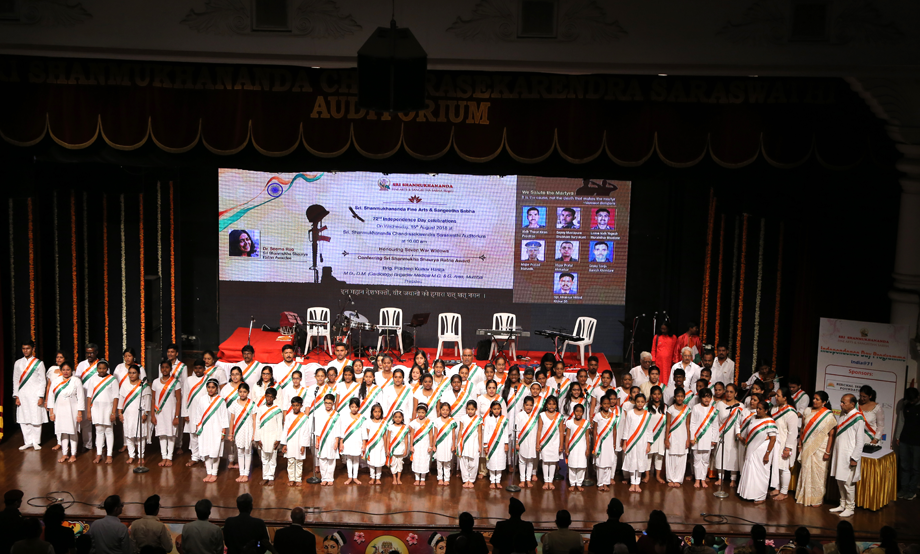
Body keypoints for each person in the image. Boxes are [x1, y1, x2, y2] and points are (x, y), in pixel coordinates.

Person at [829, 394, 866, 518]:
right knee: (840, 480)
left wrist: (855, 457)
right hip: (840, 453)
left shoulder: (858, 418)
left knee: (848, 483)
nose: (841, 404)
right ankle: (842, 504)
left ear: (852, 404)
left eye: (843, 402)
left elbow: (860, 441)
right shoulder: (843, 414)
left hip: (849, 455)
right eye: (841, 402)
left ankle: (850, 507)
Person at [737, 401, 777, 504]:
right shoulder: (753, 418)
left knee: (761, 473)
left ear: (766, 410)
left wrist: (767, 454)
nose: (757, 410)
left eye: (760, 409)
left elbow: (773, 439)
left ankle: (760, 496)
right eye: (757, 408)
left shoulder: (770, 421)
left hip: (762, 450)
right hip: (752, 449)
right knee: (750, 471)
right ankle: (748, 494)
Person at [13, 340, 47, 451]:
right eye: (23, 348)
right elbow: (16, 380)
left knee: (36, 417)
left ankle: (36, 441)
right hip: (22, 394)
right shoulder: (18, 363)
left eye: (27, 348)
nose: (25, 350)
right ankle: (27, 442)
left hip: (35, 394)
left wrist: (41, 396)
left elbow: (43, 381)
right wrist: (16, 396)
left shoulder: (39, 363)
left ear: (32, 349)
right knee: (24, 418)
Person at [48, 362, 84, 464]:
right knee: (63, 432)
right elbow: (51, 397)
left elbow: (81, 398)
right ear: (60, 370)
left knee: (72, 432)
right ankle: (64, 454)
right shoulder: (56, 381)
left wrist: (80, 413)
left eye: (68, 369)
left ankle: (73, 454)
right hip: (59, 410)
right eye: (63, 370)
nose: (65, 372)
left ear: (71, 370)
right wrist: (51, 412)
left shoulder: (76, 381)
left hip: (72, 410)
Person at [770, 387, 800, 501]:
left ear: (785, 398)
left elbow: (793, 433)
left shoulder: (791, 412)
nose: (776, 397)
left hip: (785, 443)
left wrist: (788, 448)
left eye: (778, 395)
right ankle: (777, 488)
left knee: (784, 468)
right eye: (776, 395)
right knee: (776, 466)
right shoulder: (774, 409)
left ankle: (784, 492)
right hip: (775, 442)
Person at [87, 359, 119, 464]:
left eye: (104, 368)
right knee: (99, 431)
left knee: (109, 431)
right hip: (96, 408)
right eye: (100, 368)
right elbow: (89, 396)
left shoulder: (112, 380)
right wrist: (88, 411)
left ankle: (109, 455)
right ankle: (99, 454)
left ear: (107, 369)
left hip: (108, 408)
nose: (101, 370)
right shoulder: (93, 379)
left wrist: (113, 412)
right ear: (97, 369)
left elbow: (115, 397)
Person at [151, 359, 182, 467]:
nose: (164, 369)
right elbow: (153, 399)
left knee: (171, 434)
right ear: (160, 369)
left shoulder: (175, 382)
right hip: (159, 412)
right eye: (163, 367)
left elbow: (178, 400)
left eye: (167, 367)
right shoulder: (155, 382)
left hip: (171, 412)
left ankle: (169, 457)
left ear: (170, 369)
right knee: (162, 434)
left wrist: (176, 416)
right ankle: (164, 456)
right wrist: (152, 415)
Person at [621, 393, 652, 492]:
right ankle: (632, 482)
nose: (640, 403)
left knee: (640, 461)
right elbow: (626, 428)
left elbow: (649, 430)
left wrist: (648, 444)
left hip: (642, 442)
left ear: (645, 402)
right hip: (631, 442)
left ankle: (637, 483)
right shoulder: (630, 413)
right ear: (635, 402)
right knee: (632, 461)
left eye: (642, 402)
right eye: (638, 401)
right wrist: (625, 443)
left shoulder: (647, 414)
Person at [75, 344, 101, 451]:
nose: (89, 355)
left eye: (91, 353)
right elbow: (77, 381)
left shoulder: (101, 364)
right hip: (85, 396)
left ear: (96, 352)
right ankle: (87, 444)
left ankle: (101, 445)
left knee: (99, 422)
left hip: (98, 397)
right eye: (87, 353)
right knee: (85, 422)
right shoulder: (81, 365)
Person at [254, 387, 283, 484]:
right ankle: (265, 476)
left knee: (272, 458)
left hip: (273, 437)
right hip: (263, 436)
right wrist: (258, 438)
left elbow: (279, 426)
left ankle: (271, 477)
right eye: (267, 396)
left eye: (271, 397)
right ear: (265, 396)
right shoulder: (261, 409)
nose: (269, 398)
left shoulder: (277, 410)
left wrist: (278, 439)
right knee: (264, 458)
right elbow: (257, 424)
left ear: (274, 398)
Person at [228, 382, 255, 482]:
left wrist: (254, 434)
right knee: (240, 452)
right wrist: (230, 433)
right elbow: (232, 419)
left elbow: (254, 419)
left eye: (244, 392)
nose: (242, 394)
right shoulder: (234, 404)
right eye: (240, 392)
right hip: (238, 430)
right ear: (238, 392)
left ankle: (246, 474)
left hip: (248, 430)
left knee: (247, 452)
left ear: (248, 392)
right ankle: (241, 473)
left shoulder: (252, 404)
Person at [896, 387, 920, 500]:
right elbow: (901, 421)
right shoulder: (905, 405)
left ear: (918, 397)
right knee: (904, 466)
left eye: (913, 400)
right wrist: (898, 436)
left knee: (916, 468)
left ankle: (912, 490)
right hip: (904, 440)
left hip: (918, 443)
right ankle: (904, 489)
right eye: (910, 400)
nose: (911, 402)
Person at [337, 397, 367, 485]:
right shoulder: (345, 417)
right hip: (348, 441)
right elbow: (342, 430)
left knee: (356, 459)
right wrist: (341, 442)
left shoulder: (361, 418)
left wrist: (364, 443)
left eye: (356, 407)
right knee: (349, 459)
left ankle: (355, 477)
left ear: (359, 407)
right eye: (352, 406)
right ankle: (350, 477)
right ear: (349, 406)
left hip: (357, 441)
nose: (354, 409)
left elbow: (364, 431)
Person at [281, 396, 309, 486]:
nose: (295, 407)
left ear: (301, 406)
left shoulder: (304, 418)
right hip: (290, 442)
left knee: (299, 461)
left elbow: (306, 432)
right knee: (290, 461)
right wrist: (284, 444)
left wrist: (303, 445)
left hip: (300, 442)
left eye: (297, 405)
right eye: (293, 405)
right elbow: (285, 430)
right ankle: (291, 478)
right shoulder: (288, 416)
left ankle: (298, 479)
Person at [313, 394, 340, 485]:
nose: (328, 405)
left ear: (333, 403)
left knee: (331, 459)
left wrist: (336, 441)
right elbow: (317, 428)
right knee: (322, 459)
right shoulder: (320, 414)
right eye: (326, 403)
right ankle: (324, 478)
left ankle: (330, 478)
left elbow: (338, 429)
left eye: (330, 403)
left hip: (332, 439)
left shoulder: (336, 415)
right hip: (322, 440)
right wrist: (317, 441)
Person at [665, 388, 690, 487]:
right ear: (675, 397)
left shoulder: (687, 409)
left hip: (683, 436)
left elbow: (688, 425)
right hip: (672, 435)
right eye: (678, 396)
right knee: (671, 456)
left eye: (682, 396)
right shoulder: (670, 409)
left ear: (684, 397)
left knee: (681, 457)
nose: (680, 398)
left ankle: (678, 479)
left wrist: (688, 439)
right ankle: (670, 478)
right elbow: (667, 425)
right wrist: (666, 439)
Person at [387, 409, 410, 484]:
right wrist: (387, 448)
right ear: (393, 418)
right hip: (393, 448)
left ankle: (398, 478)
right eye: (396, 417)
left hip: (401, 448)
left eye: (399, 417)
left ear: (402, 418)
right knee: (393, 463)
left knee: (400, 463)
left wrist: (406, 449)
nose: (397, 419)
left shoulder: (404, 427)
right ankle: (394, 478)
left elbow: (406, 439)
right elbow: (388, 438)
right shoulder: (390, 427)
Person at [0, 490, 24, 554]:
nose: (21, 501)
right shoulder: (19, 519)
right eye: (20, 500)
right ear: (16, 503)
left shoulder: (1, 515)